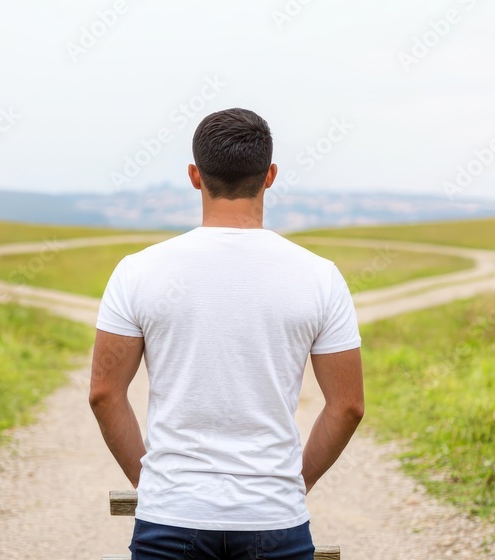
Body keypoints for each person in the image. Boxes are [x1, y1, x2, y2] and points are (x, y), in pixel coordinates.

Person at [89, 107, 364, 560]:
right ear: (270, 175)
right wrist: (295, 484)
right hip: (274, 518)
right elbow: (348, 405)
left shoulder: (137, 271)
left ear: (195, 176)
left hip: (171, 518)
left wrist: (157, 487)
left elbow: (103, 393)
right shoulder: (320, 276)